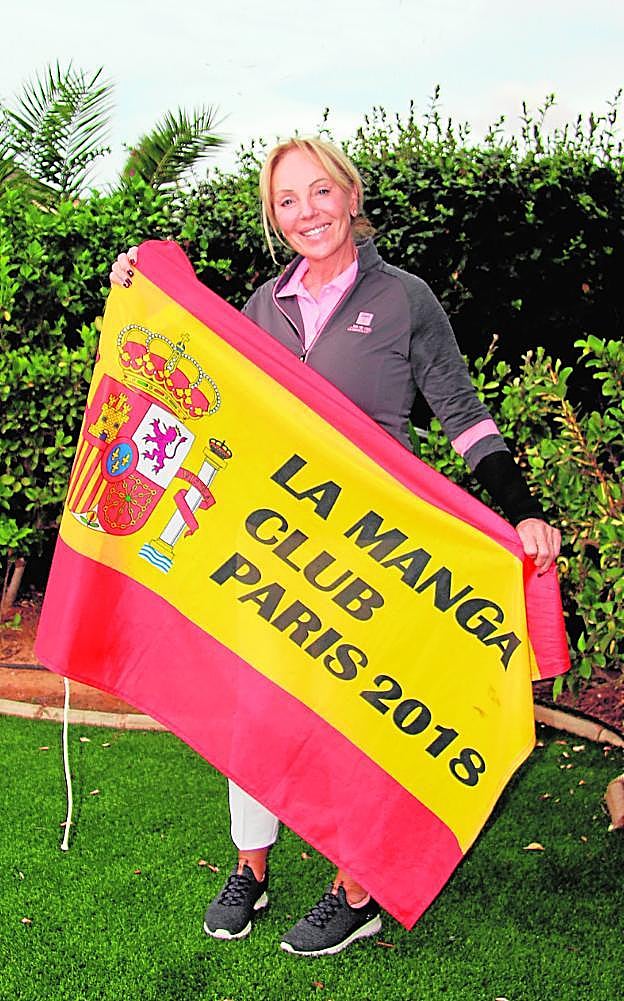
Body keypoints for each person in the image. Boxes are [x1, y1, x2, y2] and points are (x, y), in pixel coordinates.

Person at [110, 137, 561, 957]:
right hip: (270, 544)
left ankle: (355, 889)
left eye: (321, 192)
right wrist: (143, 289)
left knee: (358, 716)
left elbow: (463, 415)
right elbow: (208, 378)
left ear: (351, 196)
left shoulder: (404, 298)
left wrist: (521, 510)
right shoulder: (262, 302)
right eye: (288, 200)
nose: (308, 211)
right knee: (253, 702)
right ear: (274, 218)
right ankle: (251, 866)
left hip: (367, 548)